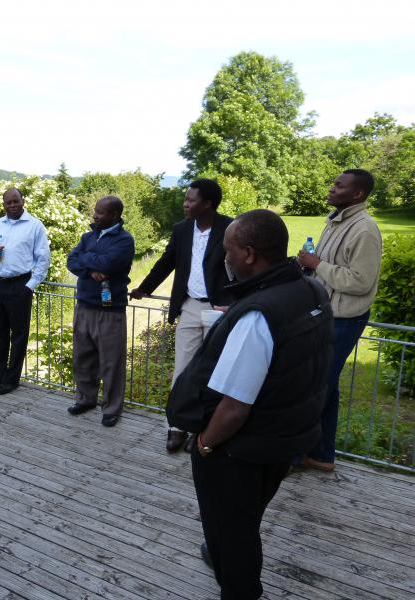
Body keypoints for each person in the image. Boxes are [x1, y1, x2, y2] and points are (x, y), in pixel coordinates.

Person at [167, 210, 333, 600]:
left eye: (228, 250)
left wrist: (206, 444)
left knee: (234, 531)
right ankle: (220, 554)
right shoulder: (310, 290)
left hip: (240, 449)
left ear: (249, 254)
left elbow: (235, 406)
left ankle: (240, 588)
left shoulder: (258, 315)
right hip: (285, 438)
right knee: (244, 516)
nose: (224, 258)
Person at [129, 179, 233, 453]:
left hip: (219, 309)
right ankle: (177, 425)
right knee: (184, 368)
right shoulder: (182, 229)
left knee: (214, 370)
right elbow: (166, 262)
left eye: (190, 200)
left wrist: (235, 303)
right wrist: (144, 288)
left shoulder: (230, 228)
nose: (185, 204)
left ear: (208, 203)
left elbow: (242, 267)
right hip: (188, 306)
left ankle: (204, 429)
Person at [297, 169, 382, 472]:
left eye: (339, 185)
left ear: (357, 194)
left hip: (344, 319)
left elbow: (360, 281)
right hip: (324, 312)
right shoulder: (334, 222)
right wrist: (309, 263)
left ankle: (296, 455)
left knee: (314, 386)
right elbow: (327, 266)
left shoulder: (365, 229)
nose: (332, 188)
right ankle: (320, 455)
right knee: (325, 386)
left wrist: (317, 263)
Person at [66, 196, 135, 427]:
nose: (94, 215)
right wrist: (89, 269)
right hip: (84, 304)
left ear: (114, 215)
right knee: (82, 358)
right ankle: (85, 400)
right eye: (95, 211)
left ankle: (112, 408)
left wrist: (88, 261)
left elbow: (108, 263)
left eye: (100, 212)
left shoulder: (124, 240)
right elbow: (71, 260)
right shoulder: (88, 236)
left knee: (111, 362)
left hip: (110, 309)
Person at [0, 187, 50, 395]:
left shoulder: (35, 226)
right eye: (8, 203)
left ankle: (11, 380)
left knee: (18, 335)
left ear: (22, 201)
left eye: (15, 201)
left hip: (21, 284)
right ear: (3, 204)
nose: (11, 206)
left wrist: (30, 286)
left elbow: (43, 259)